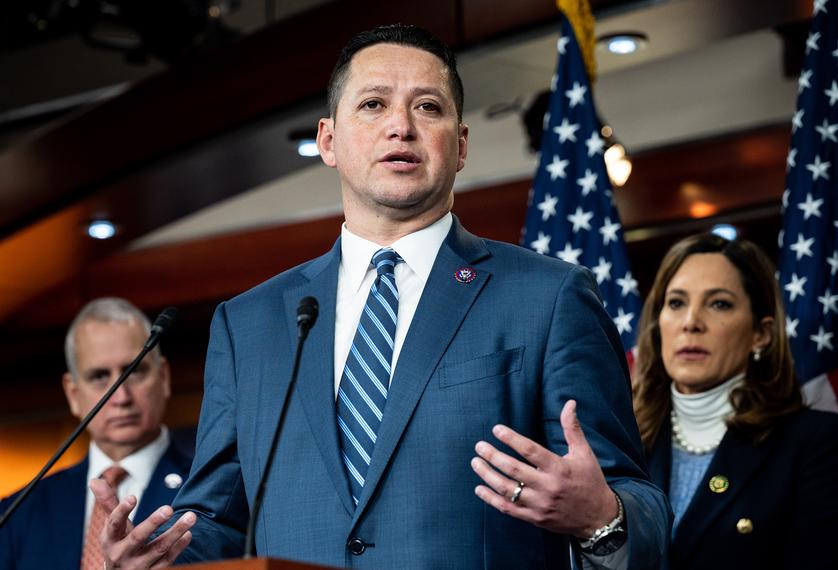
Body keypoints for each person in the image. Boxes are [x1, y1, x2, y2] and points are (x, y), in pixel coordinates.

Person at [93, 24, 669, 569]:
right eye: (373, 104)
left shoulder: (548, 298)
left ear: (460, 144)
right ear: (328, 140)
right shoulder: (249, 324)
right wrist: (162, 557)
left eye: (428, 106)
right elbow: (217, 518)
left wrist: (602, 517)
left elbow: (637, 505)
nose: (401, 126)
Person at [632, 233, 838, 569]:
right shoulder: (627, 443)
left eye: (719, 303)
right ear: (658, 324)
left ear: (761, 333)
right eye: (676, 302)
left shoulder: (816, 442)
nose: (691, 322)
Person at [0, 297, 193, 570]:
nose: (121, 396)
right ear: (73, 394)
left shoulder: (207, 492)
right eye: (100, 376)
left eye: (134, 371)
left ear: (164, 378)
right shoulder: (18, 512)